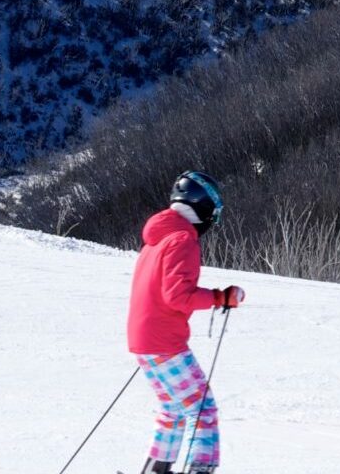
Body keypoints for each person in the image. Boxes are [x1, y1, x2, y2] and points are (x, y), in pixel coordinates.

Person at [126, 171, 245, 474]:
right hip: (164, 342)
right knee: (203, 410)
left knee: (173, 410)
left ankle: (156, 469)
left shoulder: (158, 239)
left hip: (144, 339)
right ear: (203, 208)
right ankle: (200, 469)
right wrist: (221, 297)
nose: (213, 223)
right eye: (214, 215)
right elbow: (178, 296)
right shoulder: (182, 240)